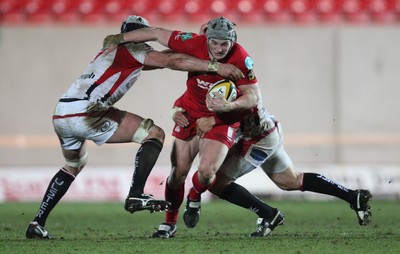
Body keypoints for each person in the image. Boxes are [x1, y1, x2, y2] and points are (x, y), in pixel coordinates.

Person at [25, 15, 244, 239]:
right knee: (154, 134)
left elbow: (166, 59)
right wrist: (216, 66)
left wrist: (200, 42)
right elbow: (171, 62)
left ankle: (37, 222)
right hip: (86, 112)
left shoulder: (114, 52)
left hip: (62, 113)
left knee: (73, 165)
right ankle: (136, 194)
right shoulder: (134, 48)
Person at [102, 16, 284, 238]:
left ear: (232, 41)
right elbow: (157, 32)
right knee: (177, 174)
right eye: (214, 42)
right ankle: (169, 224)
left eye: (224, 44)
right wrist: (120, 38)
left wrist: (228, 105)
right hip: (190, 115)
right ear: (206, 38)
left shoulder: (242, 58)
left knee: (207, 174)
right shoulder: (193, 42)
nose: (218, 48)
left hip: (221, 119)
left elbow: (253, 97)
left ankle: (195, 196)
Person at [195, 76, 373, 236]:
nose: (216, 107)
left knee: (217, 182)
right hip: (269, 132)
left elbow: (246, 105)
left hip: (259, 140)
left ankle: (269, 214)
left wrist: (215, 120)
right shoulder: (235, 91)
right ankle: (352, 196)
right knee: (290, 181)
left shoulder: (241, 101)